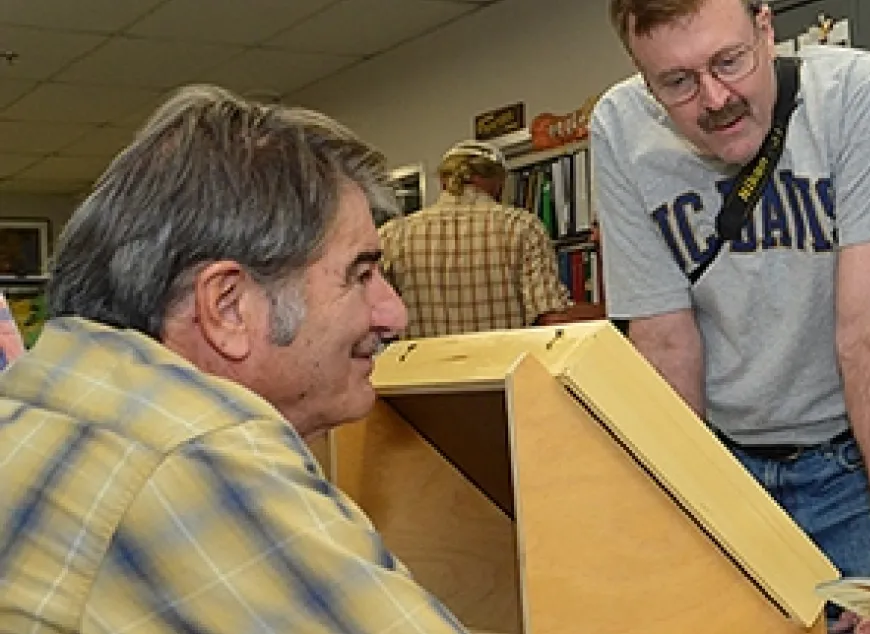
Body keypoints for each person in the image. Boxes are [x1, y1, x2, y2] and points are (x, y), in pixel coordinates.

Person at [0, 85, 468, 632]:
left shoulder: (43, 395)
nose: (394, 314)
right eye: (360, 273)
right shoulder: (199, 449)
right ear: (227, 307)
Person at [595, 0, 870, 591]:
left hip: (859, 466)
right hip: (727, 462)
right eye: (676, 82)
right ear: (641, 75)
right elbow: (664, 343)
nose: (715, 99)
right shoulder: (619, 127)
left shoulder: (857, 94)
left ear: (765, 26)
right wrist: (690, 519)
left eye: (730, 61)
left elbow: (869, 327)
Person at [378, 140, 600, 339]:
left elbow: (375, 319)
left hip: (419, 379)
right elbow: (551, 319)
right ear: (499, 183)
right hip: (500, 377)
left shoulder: (392, 236)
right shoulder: (521, 227)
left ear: (443, 182)